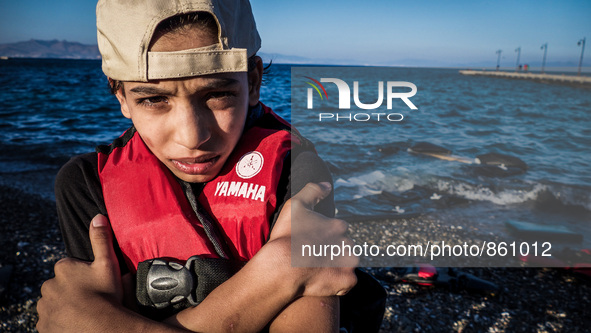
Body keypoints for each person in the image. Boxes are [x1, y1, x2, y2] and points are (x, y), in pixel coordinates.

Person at [37, 0, 376, 332]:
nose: (192, 136)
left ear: (253, 82)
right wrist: (277, 273)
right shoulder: (85, 184)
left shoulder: (294, 168)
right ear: (121, 96)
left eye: (217, 94)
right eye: (153, 99)